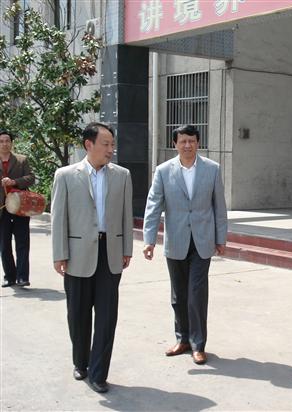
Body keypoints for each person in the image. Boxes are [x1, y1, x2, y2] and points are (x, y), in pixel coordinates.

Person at [51, 123, 133, 393]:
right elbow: (58, 217)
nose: (111, 149)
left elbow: (126, 215)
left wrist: (127, 249)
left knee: (107, 317)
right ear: (89, 144)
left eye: (112, 144)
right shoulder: (65, 175)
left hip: (110, 253)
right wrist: (59, 253)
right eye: (105, 144)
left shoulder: (122, 175)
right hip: (77, 254)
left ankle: (99, 373)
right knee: (78, 314)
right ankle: (81, 362)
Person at [143, 124, 227, 366]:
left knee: (196, 294)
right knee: (178, 295)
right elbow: (153, 206)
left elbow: (219, 206)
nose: (187, 145)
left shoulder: (212, 169)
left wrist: (220, 238)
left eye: (191, 140)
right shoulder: (163, 171)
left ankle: (198, 344)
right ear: (175, 144)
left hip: (202, 241)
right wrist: (149, 239)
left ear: (198, 142)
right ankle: (182, 340)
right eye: (183, 141)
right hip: (176, 241)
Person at [0, 130, 35, 287]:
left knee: (22, 243)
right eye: (1, 141)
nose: (4, 144)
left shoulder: (21, 160)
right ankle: (9, 276)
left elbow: (31, 178)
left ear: (11, 143)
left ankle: (22, 277)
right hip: (2, 209)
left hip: (21, 207)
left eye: (7, 141)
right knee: (4, 245)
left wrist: (14, 182)